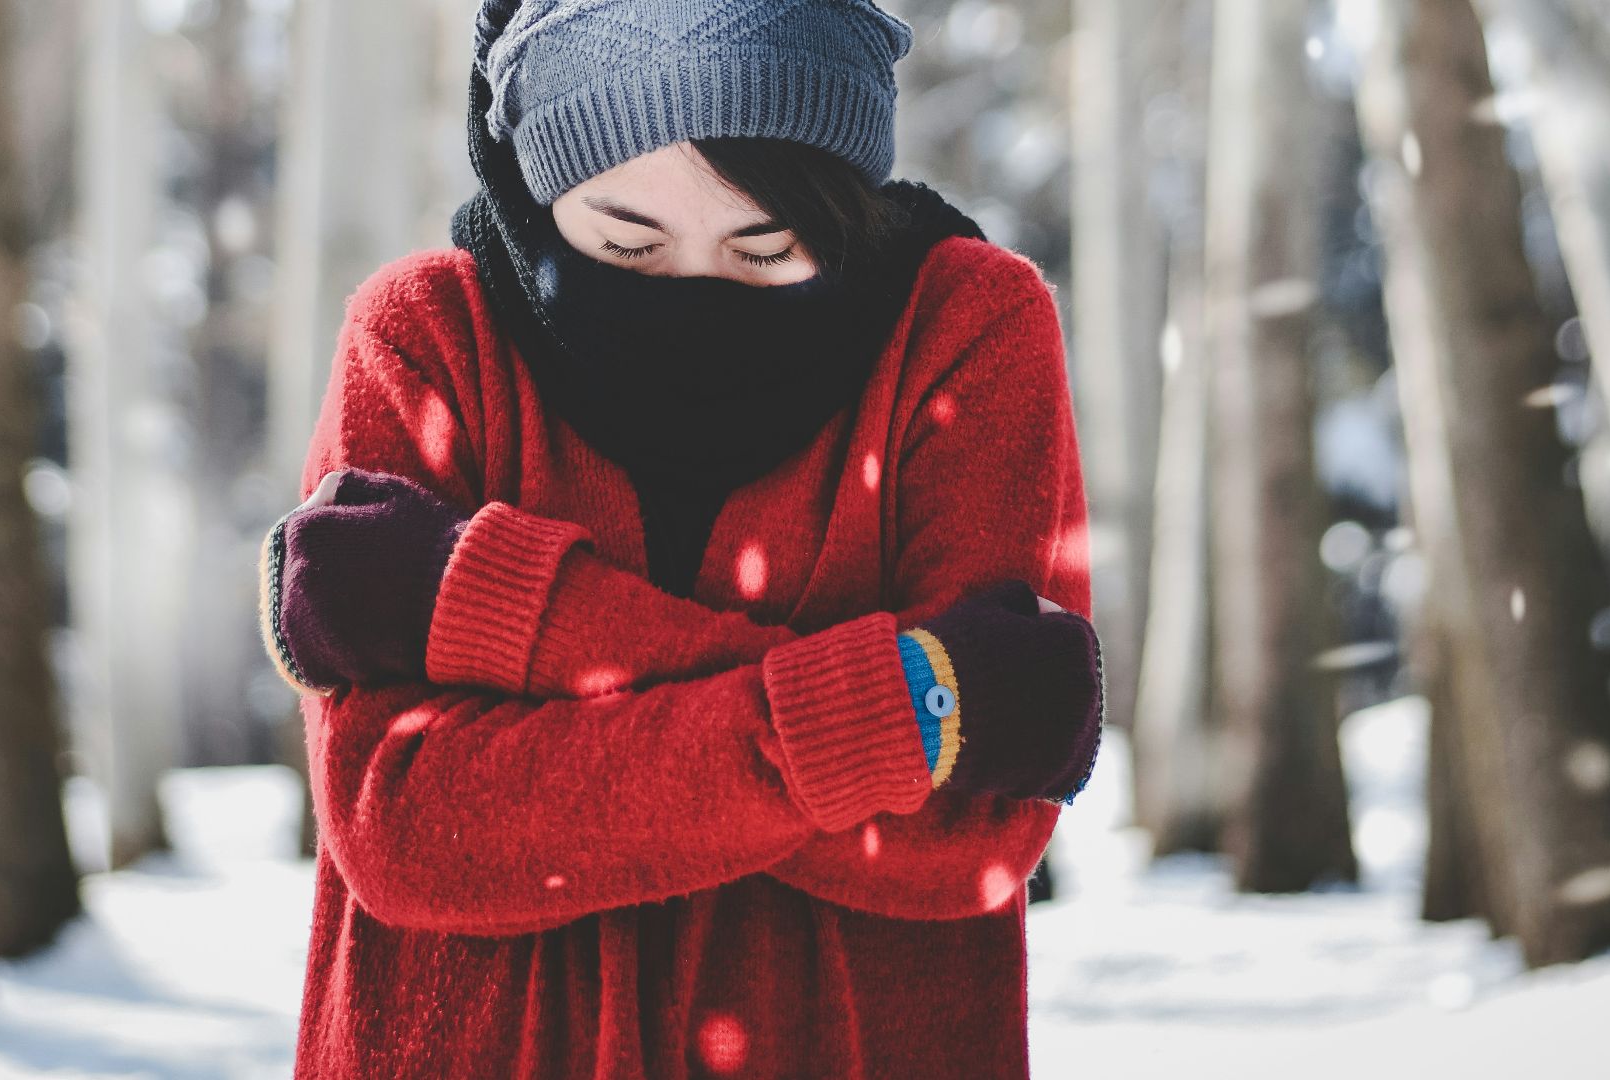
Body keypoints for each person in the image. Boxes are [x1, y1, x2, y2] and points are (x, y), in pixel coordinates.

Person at [256, 1, 1105, 1076]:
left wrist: (483, 602)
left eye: (766, 247)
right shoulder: (426, 336)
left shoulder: (962, 327)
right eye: (627, 243)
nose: (693, 291)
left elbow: (969, 835)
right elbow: (409, 828)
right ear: (538, 187)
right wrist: (902, 708)